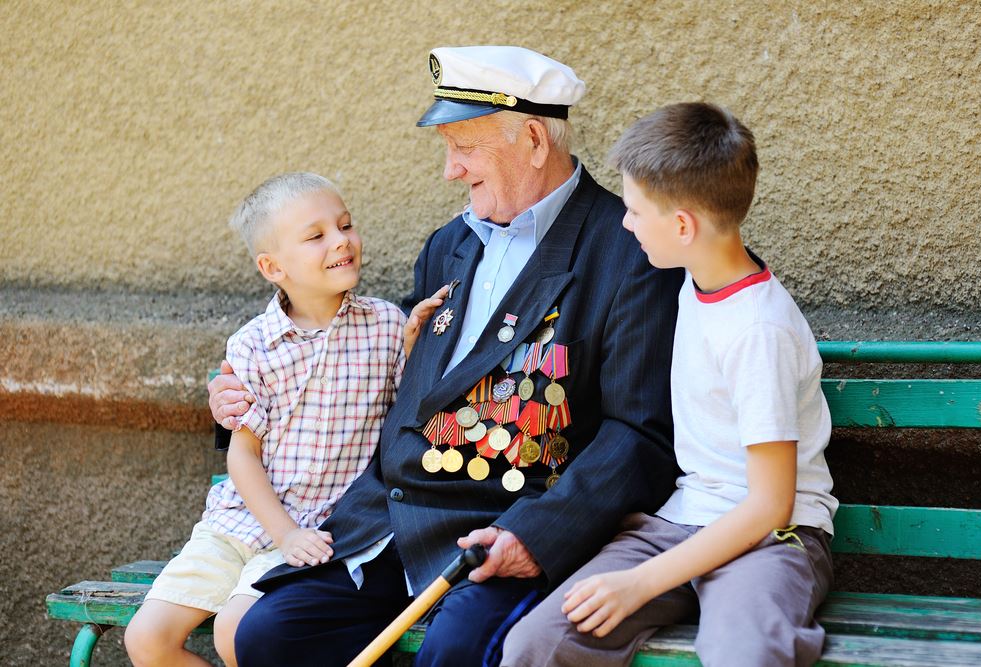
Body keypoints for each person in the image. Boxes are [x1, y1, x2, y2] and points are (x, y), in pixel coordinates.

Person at [209, 46, 685, 667]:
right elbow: (378, 372)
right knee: (271, 635)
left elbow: (640, 434)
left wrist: (535, 535)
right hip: (390, 520)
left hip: (504, 526)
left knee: (454, 650)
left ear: (533, 140)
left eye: (464, 147)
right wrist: (239, 401)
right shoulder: (449, 245)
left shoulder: (627, 251)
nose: (450, 171)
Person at [501, 102, 839, 667]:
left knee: (745, 652)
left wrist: (639, 583)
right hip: (680, 521)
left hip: (772, 538)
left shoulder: (758, 331)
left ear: (683, 227)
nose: (625, 223)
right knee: (538, 644)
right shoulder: (695, 276)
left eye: (634, 211)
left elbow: (770, 505)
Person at [125, 172, 446, 667]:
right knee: (147, 640)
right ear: (272, 266)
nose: (341, 240)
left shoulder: (385, 326)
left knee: (238, 633)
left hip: (324, 528)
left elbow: (407, 419)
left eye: (345, 225)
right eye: (316, 235)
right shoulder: (252, 344)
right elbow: (243, 455)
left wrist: (413, 347)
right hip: (242, 523)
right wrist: (284, 533)